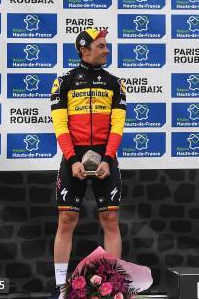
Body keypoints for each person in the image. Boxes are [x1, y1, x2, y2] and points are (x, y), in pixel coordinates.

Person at [49, 28, 126, 299]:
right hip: (74, 157)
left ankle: (114, 285)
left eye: (106, 46)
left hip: (106, 157)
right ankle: (61, 287)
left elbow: (118, 125)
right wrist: (71, 159)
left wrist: (107, 159)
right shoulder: (64, 82)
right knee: (67, 219)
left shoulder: (115, 82)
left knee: (111, 219)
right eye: (101, 46)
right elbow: (60, 125)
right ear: (84, 50)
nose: (106, 50)